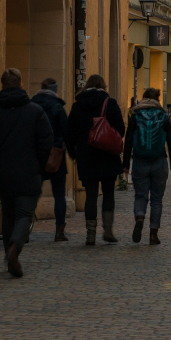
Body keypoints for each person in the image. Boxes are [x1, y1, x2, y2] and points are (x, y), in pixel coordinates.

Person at [0, 69, 53, 278]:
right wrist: (38, 163)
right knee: (24, 214)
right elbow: (46, 140)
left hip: (4, 174)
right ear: (21, 85)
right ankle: (14, 249)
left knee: (8, 214)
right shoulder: (35, 112)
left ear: (2, 86)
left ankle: (9, 256)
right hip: (29, 172)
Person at [66, 74, 126, 246]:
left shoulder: (78, 105)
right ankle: (108, 230)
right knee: (108, 193)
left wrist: (75, 154)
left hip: (86, 156)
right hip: (107, 155)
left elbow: (69, 133)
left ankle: (90, 234)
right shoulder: (110, 103)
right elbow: (120, 130)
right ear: (103, 85)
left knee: (90, 195)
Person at [123, 88, 171, 245]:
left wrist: (126, 163)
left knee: (140, 195)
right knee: (156, 200)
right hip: (159, 162)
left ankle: (140, 217)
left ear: (143, 98)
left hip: (140, 161)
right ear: (157, 100)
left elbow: (128, 140)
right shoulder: (163, 116)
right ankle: (153, 234)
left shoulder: (135, 115)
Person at [31, 78, 70, 242]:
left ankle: (24, 228)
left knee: (32, 193)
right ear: (55, 90)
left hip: (36, 154)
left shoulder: (32, 106)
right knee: (59, 194)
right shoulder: (58, 107)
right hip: (56, 155)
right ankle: (59, 232)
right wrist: (72, 152)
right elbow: (67, 131)